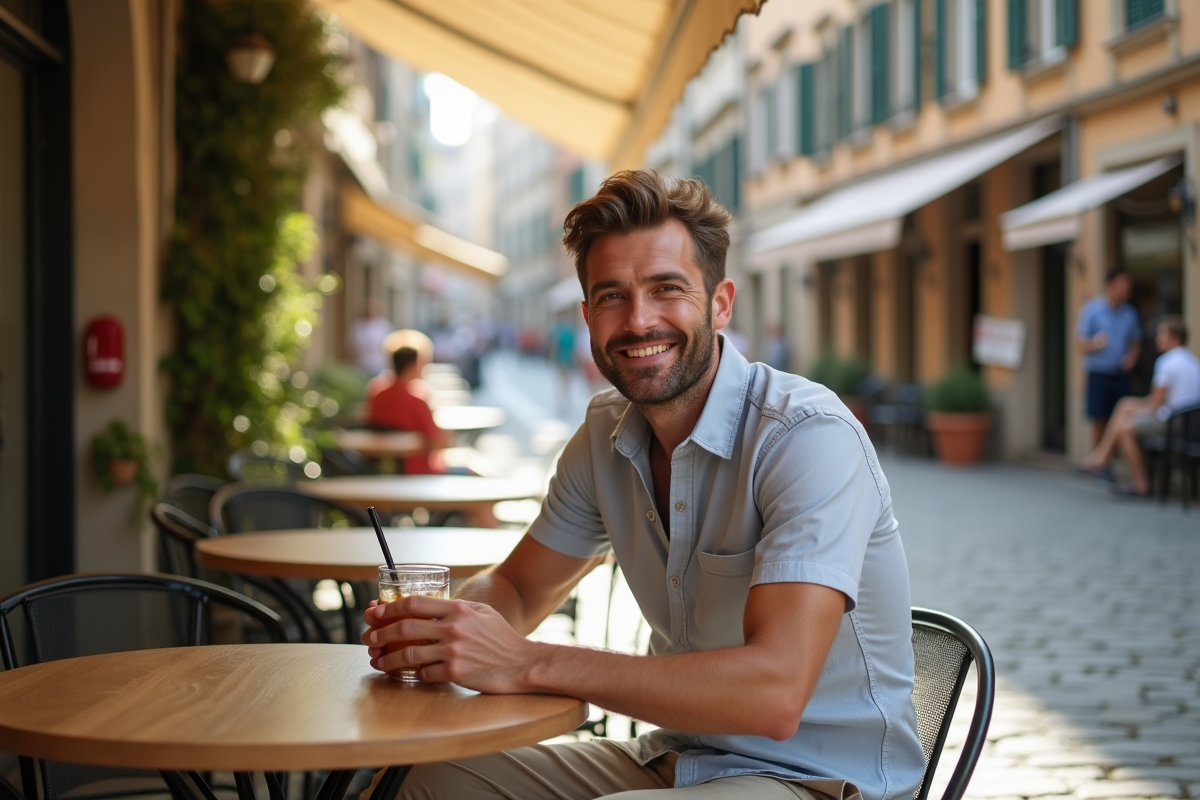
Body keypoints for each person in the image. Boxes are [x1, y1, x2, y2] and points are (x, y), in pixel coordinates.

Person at [361, 171, 924, 800]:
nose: (638, 320)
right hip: (677, 758)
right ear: (587, 317)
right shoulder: (603, 433)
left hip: (821, 778)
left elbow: (775, 693)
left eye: (667, 289)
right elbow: (519, 587)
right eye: (612, 296)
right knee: (419, 782)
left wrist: (525, 661)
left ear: (720, 303)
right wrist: (451, 632)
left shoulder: (805, 436)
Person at [1077, 315, 1200, 497]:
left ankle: (1139, 484)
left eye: (1162, 334)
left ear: (1175, 338)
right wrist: (1130, 406)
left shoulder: (1166, 362)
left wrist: (1131, 407)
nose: (1158, 338)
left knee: (1125, 427)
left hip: (1172, 424)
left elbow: (1155, 404)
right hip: (1191, 426)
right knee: (1124, 406)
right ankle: (1101, 457)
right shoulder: (1193, 362)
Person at [1076, 269, 1141, 448]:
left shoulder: (1130, 313)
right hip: (1098, 373)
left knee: (1123, 418)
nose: (1126, 290)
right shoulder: (1091, 310)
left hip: (1121, 374)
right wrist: (1095, 343)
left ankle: (1117, 457)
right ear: (1110, 286)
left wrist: (1132, 357)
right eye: (1123, 286)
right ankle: (1099, 460)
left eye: (1128, 287)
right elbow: (1079, 344)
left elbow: (1136, 343)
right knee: (1099, 419)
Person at [366, 344, 447, 475]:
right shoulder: (416, 402)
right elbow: (436, 442)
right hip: (417, 471)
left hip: (379, 469)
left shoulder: (377, 397)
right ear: (413, 365)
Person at [348, 299, 394, 377]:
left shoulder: (385, 326)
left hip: (380, 365)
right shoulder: (358, 326)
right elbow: (352, 346)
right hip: (362, 364)